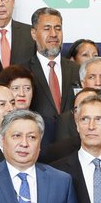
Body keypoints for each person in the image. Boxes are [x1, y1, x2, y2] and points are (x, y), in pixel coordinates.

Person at [26, 8, 78, 145]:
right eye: (47, 29)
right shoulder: (23, 71)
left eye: (58, 28)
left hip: (73, 145)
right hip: (38, 145)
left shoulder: (78, 70)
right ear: (33, 33)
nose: (54, 34)